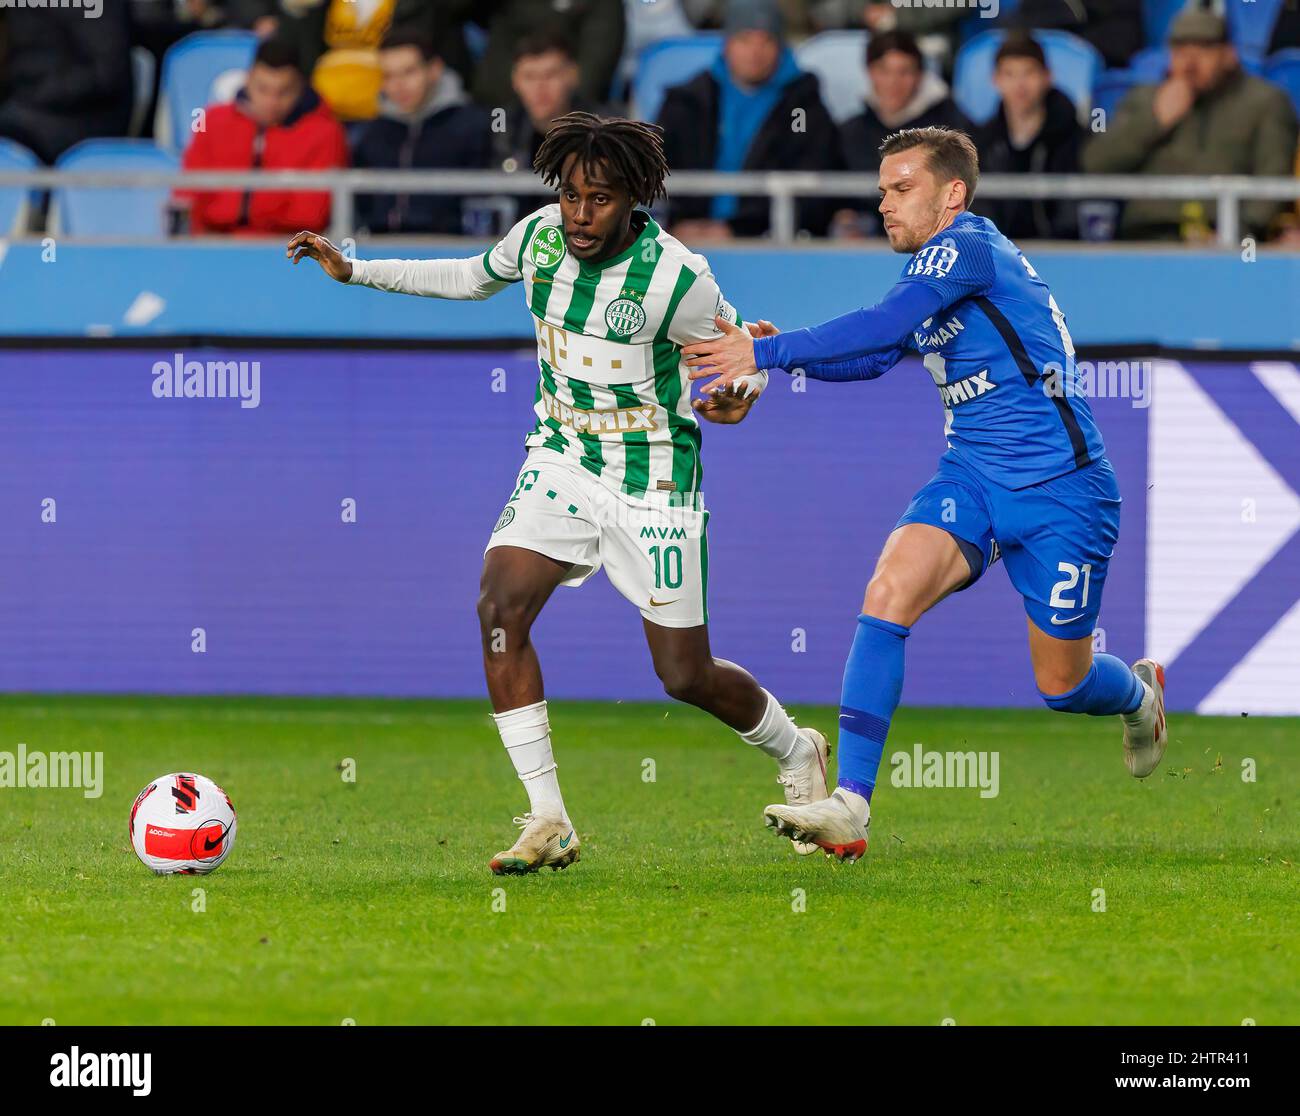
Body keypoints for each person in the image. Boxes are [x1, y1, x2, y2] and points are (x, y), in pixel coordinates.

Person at [286, 112, 831, 874]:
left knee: (684, 676)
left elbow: (736, 365)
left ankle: (795, 745)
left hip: (654, 482)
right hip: (563, 459)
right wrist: (355, 268)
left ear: (634, 199)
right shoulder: (540, 237)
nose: (581, 214)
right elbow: (471, 276)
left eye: (600, 199)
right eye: (572, 195)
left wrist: (742, 394)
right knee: (499, 606)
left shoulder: (679, 277)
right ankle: (549, 817)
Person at [684, 126, 1168, 862]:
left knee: (1062, 685)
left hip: (1064, 490)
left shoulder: (968, 246)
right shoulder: (933, 274)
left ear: (953, 194)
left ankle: (1137, 697)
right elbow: (880, 350)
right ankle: (851, 803)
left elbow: (881, 326)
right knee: (889, 590)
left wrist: (765, 352)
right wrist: (775, 362)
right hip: (972, 477)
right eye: (881, 189)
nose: (884, 202)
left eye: (901, 187)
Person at [1080, 5, 1298, 241]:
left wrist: (1238, 234)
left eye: (1204, 49)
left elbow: (1271, 182)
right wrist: (1154, 121)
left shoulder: (1265, 102)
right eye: (1181, 50)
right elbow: (1095, 165)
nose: (1191, 63)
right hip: (1146, 238)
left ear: (1229, 54)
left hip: (1225, 242)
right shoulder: (1144, 99)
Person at [656, 0, 841, 239]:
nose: (755, 52)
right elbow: (657, 168)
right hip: (683, 239)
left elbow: (809, 186)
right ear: (726, 45)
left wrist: (737, 230)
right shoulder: (688, 102)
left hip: (767, 244)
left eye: (766, 41)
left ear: (781, 47)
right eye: (745, 40)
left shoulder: (803, 108)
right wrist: (680, 224)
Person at [176, 38, 348, 236]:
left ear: (301, 86)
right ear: (248, 80)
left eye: (284, 92)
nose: (271, 102)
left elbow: (312, 215)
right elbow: (188, 194)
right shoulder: (211, 121)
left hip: (289, 250)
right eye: (262, 89)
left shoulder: (326, 132)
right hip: (213, 245)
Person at [352, 27, 491, 235]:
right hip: (380, 253)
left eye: (409, 72)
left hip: (452, 255)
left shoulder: (473, 126)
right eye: (388, 76)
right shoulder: (372, 132)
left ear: (434, 69)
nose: (398, 85)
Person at [835, 30, 966, 237]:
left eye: (904, 72)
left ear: (920, 76)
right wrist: (844, 217)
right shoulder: (851, 132)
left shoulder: (951, 131)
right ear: (869, 72)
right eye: (884, 71)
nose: (893, 82)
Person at [971, 32, 1082, 241]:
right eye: (1009, 74)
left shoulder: (1074, 136)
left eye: (1029, 73)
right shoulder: (983, 142)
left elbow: (1073, 213)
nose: (1019, 85)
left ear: (1047, 77)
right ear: (995, 80)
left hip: (1062, 254)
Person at [490, 33, 611, 225]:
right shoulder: (502, 127)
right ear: (515, 81)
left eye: (551, 75)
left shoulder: (606, 129)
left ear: (572, 76)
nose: (540, 87)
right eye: (529, 77)